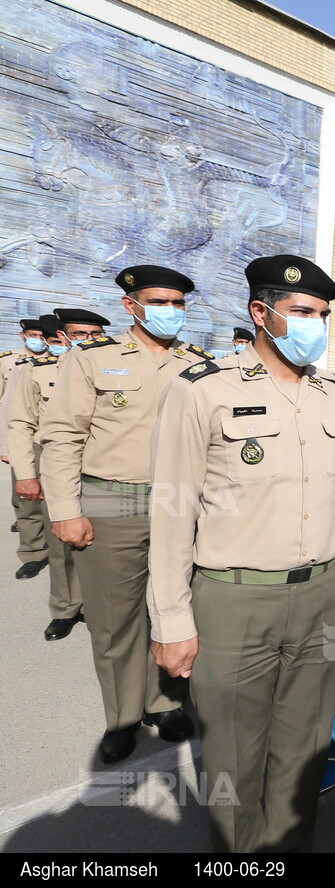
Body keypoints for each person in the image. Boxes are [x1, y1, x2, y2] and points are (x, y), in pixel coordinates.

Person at [148, 254, 335, 853]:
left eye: (322, 315)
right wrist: (170, 619)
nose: (315, 325)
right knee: (232, 759)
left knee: (304, 748)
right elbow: (171, 515)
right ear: (261, 314)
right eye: (302, 313)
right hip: (233, 599)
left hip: (321, 592)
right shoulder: (203, 391)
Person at [40, 264, 210, 763]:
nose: (171, 311)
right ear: (130, 305)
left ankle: (165, 704)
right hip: (112, 501)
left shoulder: (199, 363)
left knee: (174, 608)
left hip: (181, 504)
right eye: (160, 302)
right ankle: (122, 717)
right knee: (115, 620)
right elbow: (62, 436)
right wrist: (66, 509)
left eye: (179, 303)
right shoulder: (93, 359)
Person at [9, 309, 108, 641]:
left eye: (94, 334)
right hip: (53, 459)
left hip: (100, 463)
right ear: (62, 337)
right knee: (62, 539)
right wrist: (25, 473)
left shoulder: (111, 368)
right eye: (80, 334)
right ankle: (66, 608)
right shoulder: (35, 371)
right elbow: (20, 424)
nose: (88, 340)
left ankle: (101, 607)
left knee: (102, 539)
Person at [3, 317, 52, 578]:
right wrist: (6, 447)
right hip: (33, 442)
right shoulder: (21, 366)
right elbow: (9, 412)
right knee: (28, 504)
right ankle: (33, 552)